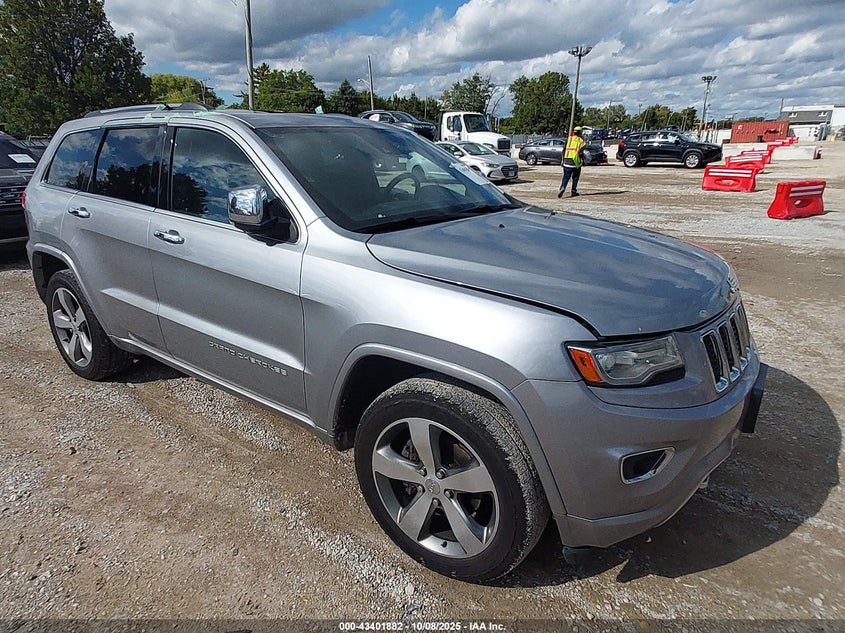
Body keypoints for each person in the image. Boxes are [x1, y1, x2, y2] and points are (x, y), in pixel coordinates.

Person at [558, 126, 586, 198]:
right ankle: (573, 191)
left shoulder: (569, 139)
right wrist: (583, 160)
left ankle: (563, 187)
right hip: (575, 162)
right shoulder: (581, 141)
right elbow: (580, 153)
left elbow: (564, 150)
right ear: (580, 133)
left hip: (566, 160)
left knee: (566, 176)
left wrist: (562, 160)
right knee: (575, 177)